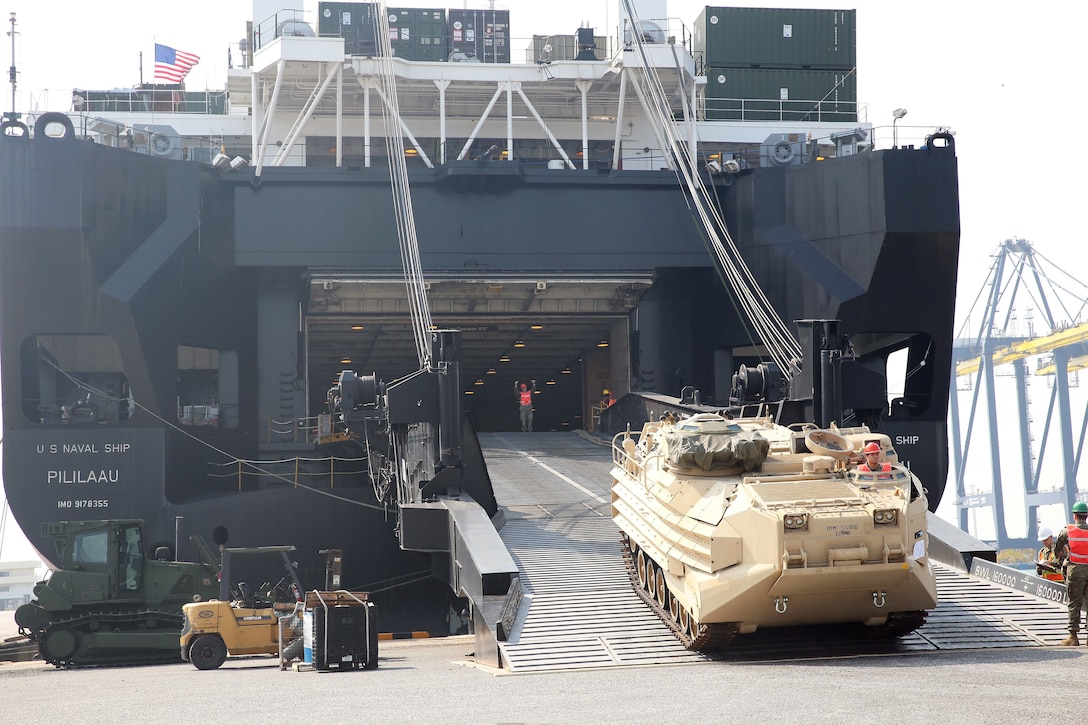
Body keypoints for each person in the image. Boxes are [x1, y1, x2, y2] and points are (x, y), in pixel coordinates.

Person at [1055, 501, 1088, 645]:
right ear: (1086, 516)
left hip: (1075, 570)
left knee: (1074, 602)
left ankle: (1073, 637)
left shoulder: (1068, 531)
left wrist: (1058, 558)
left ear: (1075, 516)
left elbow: (1058, 549)